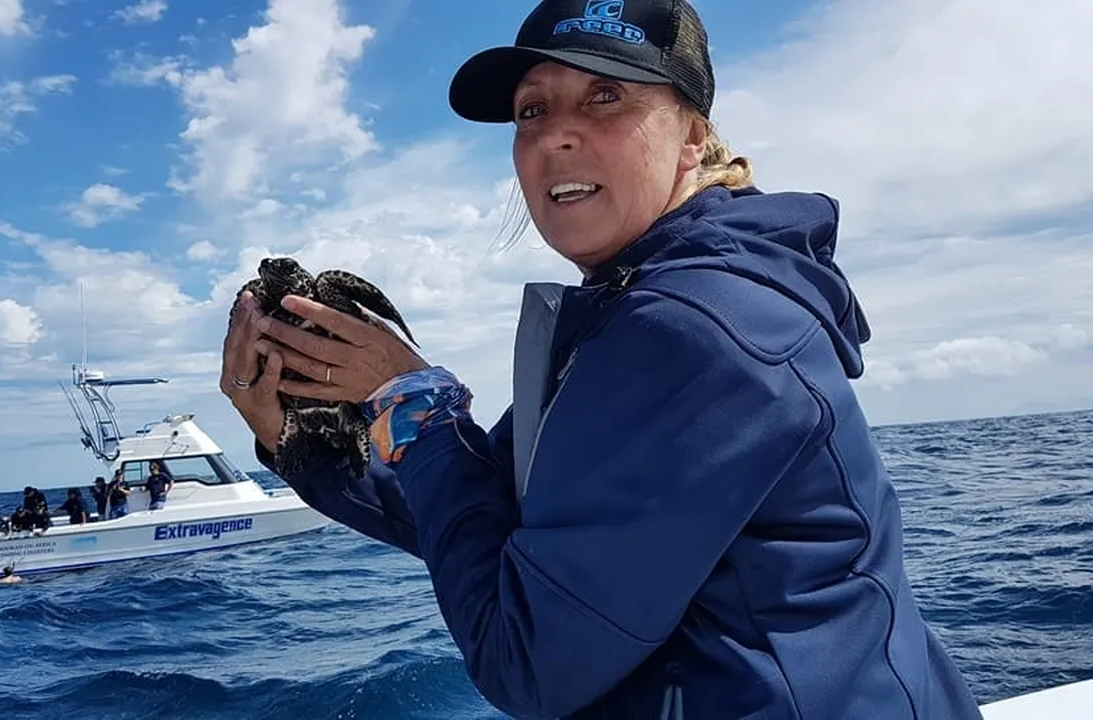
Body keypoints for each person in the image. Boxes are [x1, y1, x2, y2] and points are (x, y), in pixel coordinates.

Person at [220, 1, 983, 718]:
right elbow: (488, 526)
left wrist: (410, 397)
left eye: (605, 97)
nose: (556, 134)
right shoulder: (629, 320)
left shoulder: (695, 330)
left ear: (694, 136)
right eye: (532, 110)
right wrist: (298, 447)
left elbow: (530, 660)